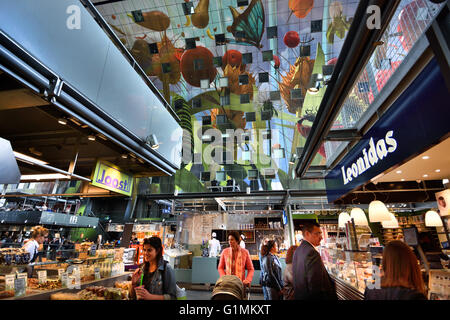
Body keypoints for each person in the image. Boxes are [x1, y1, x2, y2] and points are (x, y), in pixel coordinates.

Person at [293, 221, 337, 300]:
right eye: (317, 234)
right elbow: (315, 286)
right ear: (307, 234)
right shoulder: (312, 253)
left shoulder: (298, 250)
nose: (321, 237)